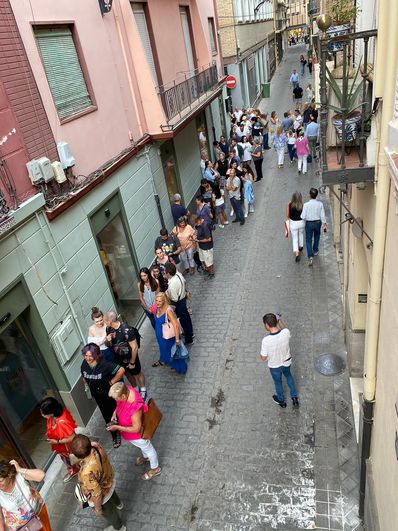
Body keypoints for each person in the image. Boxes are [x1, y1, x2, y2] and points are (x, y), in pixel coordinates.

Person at [70, 435, 126, 531]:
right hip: (108, 479)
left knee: (109, 512)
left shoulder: (86, 473)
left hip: (103, 491)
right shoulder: (96, 446)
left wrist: (98, 509)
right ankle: (119, 504)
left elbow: (97, 494)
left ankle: (119, 527)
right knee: (112, 494)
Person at [107, 383, 161, 480]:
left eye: (117, 398)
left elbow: (136, 428)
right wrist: (115, 413)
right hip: (132, 436)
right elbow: (119, 405)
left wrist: (117, 427)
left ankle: (155, 468)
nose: (116, 400)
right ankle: (146, 457)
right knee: (143, 447)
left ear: (123, 396)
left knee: (149, 449)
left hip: (138, 435)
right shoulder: (126, 389)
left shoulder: (134, 408)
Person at [81, 343, 125, 447]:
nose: (87, 358)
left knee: (116, 410)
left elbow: (121, 370)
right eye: (85, 355)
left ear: (96, 355)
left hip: (108, 393)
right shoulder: (84, 363)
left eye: (90, 356)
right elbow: (83, 374)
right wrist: (86, 384)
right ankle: (115, 434)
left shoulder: (104, 364)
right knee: (106, 414)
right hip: (97, 394)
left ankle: (122, 426)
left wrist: (111, 382)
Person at [104, 312, 147, 401]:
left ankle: (143, 389)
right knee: (127, 374)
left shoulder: (126, 330)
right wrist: (107, 341)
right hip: (119, 358)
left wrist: (132, 362)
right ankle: (134, 389)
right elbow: (109, 345)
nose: (104, 323)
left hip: (130, 357)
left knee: (137, 373)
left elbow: (134, 348)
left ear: (110, 321)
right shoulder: (109, 329)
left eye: (105, 321)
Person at [260, 313, 299, 408]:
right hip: (286, 362)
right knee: (289, 376)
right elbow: (284, 328)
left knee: (278, 382)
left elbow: (263, 358)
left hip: (275, 366)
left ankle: (281, 401)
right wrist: (279, 320)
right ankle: (294, 398)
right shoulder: (286, 332)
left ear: (266, 325)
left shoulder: (266, 340)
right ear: (276, 322)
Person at [0, 460, 52, 531]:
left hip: (38, 513)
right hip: (20, 527)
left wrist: (20, 469)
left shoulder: (19, 476)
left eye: (1, 481)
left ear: (9, 475)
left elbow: (41, 475)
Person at [39, 396, 78, 482]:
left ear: (51, 412)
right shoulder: (55, 414)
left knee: (69, 459)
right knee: (68, 459)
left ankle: (73, 470)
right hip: (61, 446)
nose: (42, 415)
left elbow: (72, 437)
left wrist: (56, 441)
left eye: (44, 414)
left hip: (67, 447)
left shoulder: (62, 422)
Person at [152, 292, 187, 373]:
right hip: (160, 336)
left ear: (164, 301)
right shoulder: (157, 308)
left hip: (168, 337)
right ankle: (173, 364)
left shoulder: (168, 311)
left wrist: (177, 340)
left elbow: (176, 325)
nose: (157, 302)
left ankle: (180, 368)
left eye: (160, 301)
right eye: (156, 300)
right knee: (166, 351)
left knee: (173, 353)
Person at [165, 261, 194, 345]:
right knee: (187, 317)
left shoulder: (172, 284)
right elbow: (184, 281)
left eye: (165, 272)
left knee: (183, 321)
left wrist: (167, 294)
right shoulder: (178, 274)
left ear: (168, 273)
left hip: (179, 303)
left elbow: (174, 298)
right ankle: (191, 333)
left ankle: (189, 339)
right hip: (183, 298)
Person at [301, 187, 328, 266]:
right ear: (316, 195)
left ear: (309, 195)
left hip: (309, 223)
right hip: (317, 222)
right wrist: (324, 223)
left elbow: (303, 216)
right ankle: (315, 250)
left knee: (308, 240)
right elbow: (322, 215)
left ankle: (310, 256)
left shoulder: (306, 205)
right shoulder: (320, 204)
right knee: (317, 236)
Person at [287, 191, 305, 262]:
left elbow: (287, 216)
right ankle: (301, 246)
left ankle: (297, 253)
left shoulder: (289, 205)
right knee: (301, 234)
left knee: (294, 238)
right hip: (301, 222)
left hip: (293, 223)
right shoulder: (302, 205)